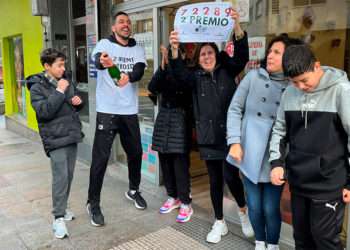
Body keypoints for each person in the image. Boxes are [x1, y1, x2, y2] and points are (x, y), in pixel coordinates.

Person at [169, 9, 254, 243]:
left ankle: (243, 211)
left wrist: (237, 26)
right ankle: (219, 222)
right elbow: (177, 76)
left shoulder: (228, 69)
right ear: (198, 58)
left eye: (210, 52)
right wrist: (174, 49)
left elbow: (242, 56)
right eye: (203, 54)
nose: (206, 56)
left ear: (216, 54)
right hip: (208, 137)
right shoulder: (193, 78)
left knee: (231, 176)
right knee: (215, 180)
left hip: (230, 135)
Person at [269, 44, 350, 250]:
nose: (301, 87)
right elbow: (279, 130)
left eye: (304, 81)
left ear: (317, 66)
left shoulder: (341, 90)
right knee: (302, 240)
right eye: (294, 82)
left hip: (329, 185)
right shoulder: (289, 93)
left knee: (325, 240)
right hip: (298, 183)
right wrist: (276, 163)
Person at [226, 34, 303, 250]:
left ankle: (273, 244)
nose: (270, 55)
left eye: (276, 52)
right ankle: (260, 242)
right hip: (249, 151)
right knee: (255, 206)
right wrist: (234, 141)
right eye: (270, 51)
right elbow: (234, 109)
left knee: (270, 208)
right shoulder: (253, 77)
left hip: (275, 157)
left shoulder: (294, 86)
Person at [87, 11, 147, 227]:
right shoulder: (105, 44)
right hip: (107, 111)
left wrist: (128, 77)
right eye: (121, 22)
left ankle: (133, 190)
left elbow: (139, 71)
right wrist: (105, 62)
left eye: (128, 22)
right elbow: (97, 61)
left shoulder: (137, 48)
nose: (126, 25)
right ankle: (93, 203)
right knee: (100, 159)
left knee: (136, 153)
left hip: (129, 111)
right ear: (113, 27)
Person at [26, 48, 84, 238]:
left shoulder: (66, 80)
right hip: (55, 138)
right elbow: (44, 112)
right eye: (59, 65)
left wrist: (78, 102)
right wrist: (60, 91)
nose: (63, 68)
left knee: (69, 176)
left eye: (63, 64)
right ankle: (57, 218)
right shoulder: (37, 87)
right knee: (60, 178)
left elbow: (74, 104)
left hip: (71, 134)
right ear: (47, 66)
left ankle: (63, 208)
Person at [148, 44, 193, 222]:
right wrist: (163, 66)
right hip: (164, 119)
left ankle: (185, 202)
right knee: (165, 160)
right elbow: (152, 87)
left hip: (180, 119)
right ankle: (172, 196)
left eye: (176, 53)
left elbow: (183, 85)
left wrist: (173, 63)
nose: (173, 57)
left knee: (179, 163)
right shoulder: (165, 71)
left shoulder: (187, 73)